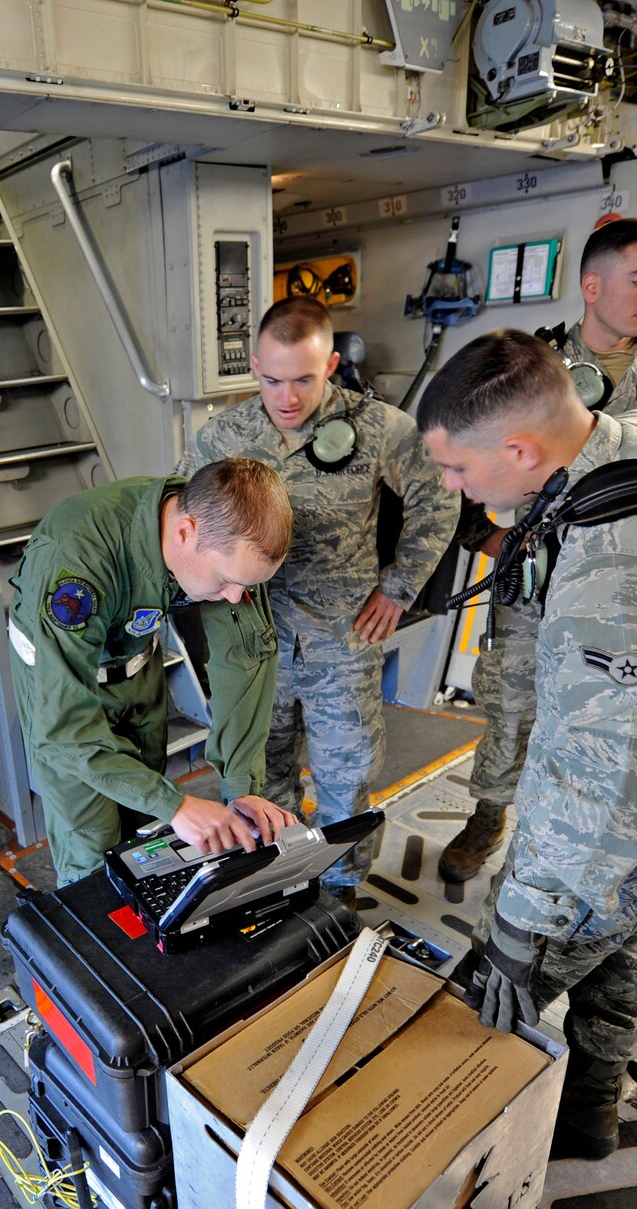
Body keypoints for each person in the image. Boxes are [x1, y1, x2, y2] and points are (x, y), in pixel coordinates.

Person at [419, 330, 637, 1159]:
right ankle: (590, 1103)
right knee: (633, 926)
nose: (450, 486)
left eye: (461, 470)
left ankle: (446, 1147)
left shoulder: (617, 575)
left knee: (513, 976)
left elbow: (606, 782)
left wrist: (519, 925)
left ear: (519, 447)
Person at [441, 218, 637, 884]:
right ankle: (489, 812)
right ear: (593, 284)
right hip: (540, 581)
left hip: (635, 593)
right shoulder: (528, 365)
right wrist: (490, 536)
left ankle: (577, 851)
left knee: (612, 718)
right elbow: (457, 463)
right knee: (512, 699)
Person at [178, 297, 454, 898]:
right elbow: (185, 518)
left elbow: (439, 497)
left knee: (346, 773)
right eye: (272, 378)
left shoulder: (379, 428)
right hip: (256, 637)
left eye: (304, 378)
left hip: (342, 635)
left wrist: (399, 589)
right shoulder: (223, 437)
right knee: (261, 771)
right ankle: (280, 877)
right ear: (254, 365)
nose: (287, 396)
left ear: (330, 364)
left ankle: (343, 888)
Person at [8, 457, 299, 886]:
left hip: (139, 670)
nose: (236, 598)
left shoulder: (226, 542)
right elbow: (64, 727)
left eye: (246, 585)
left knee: (147, 838)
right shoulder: (76, 559)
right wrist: (178, 805)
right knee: (92, 852)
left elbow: (245, 660)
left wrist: (242, 787)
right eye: (225, 583)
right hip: (62, 686)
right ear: (185, 533)